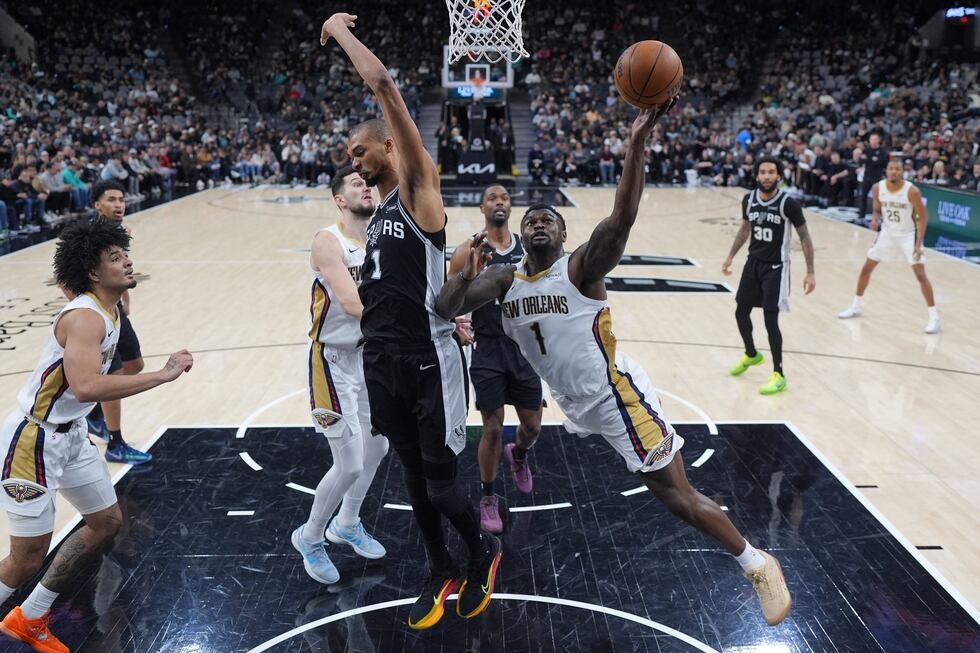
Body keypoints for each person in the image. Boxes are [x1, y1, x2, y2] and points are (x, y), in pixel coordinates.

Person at [435, 103, 792, 627]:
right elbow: (447, 307)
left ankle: (756, 563)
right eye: (531, 219)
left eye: (548, 221)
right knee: (666, 490)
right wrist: (464, 271)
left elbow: (622, 217)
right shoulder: (505, 281)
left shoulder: (579, 269)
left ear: (561, 237)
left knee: (676, 496)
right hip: (575, 404)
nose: (537, 223)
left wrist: (636, 145)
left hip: (616, 396)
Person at [320, 12, 501, 630]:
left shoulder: (420, 188)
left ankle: (482, 550)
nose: (355, 162)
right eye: (350, 157)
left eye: (360, 151)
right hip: (381, 360)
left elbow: (385, 88)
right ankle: (438, 567)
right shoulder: (373, 219)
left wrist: (338, 32)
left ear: (390, 147)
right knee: (413, 482)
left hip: (431, 361)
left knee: (445, 485)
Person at [0, 219, 193, 651]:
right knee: (26, 558)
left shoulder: (111, 308)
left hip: (73, 437)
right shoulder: (86, 317)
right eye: (114, 257)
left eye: (124, 253)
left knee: (105, 523)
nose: (127, 260)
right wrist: (164, 376)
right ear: (92, 270)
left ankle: (29, 618)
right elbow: (86, 386)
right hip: (34, 441)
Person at [291, 165, 390, 584]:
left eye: (368, 183)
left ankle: (347, 523)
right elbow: (351, 303)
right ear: (339, 200)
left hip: (370, 357)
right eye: (355, 183)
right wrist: (416, 327)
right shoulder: (327, 241)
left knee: (379, 447)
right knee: (348, 463)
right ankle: (310, 536)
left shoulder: (384, 242)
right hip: (331, 361)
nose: (365, 186)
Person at [447, 185, 543, 534]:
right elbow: (447, 295)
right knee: (490, 429)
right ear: (482, 206)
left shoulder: (529, 248)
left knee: (532, 426)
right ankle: (488, 497)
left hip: (524, 350)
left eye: (504, 198)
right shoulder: (469, 250)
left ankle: (518, 455)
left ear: (510, 207)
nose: (499, 202)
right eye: (492, 198)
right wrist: (456, 321)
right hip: (487, 347)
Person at [722, 157, 816, 395]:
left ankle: (779, 374)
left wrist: (810, 272)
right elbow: (745, 229)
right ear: (756, 176)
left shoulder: (788, 203)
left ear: (779, 176)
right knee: (740, 311)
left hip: (777, 268)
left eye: (771, 172)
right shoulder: (749, 199)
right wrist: (731, 255)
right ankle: (752, 354)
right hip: (753, 263)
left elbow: (804, 237)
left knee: (770, 319)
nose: (766, 176)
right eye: (762, 172)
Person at [81, 181, 154, 464]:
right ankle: (116, 442)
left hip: (115, 311)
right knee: (110, 377)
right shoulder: (87, 235)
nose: (119, 204)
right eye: (111, 199)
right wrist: (89, 306)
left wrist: (124, 298)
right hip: (98, 315)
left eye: (121, 199)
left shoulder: (120, 232)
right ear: (97, 204)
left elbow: (120, 266)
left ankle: (96, 411)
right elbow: (63, 277)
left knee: (135, 364)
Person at [837, 159, 940, 333]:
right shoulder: (878, 188)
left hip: (907, 236)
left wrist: (918, 243)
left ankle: (934, 317)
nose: (894, 171)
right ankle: (856, 306)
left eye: (897, 169)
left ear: (902, 172)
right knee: (866, 268)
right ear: (886, 171)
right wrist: (875, 221)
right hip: (887, 234)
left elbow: (922, 217)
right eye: (891, 168)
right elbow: (877, 209)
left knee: (920, 274)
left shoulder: (912, 191)